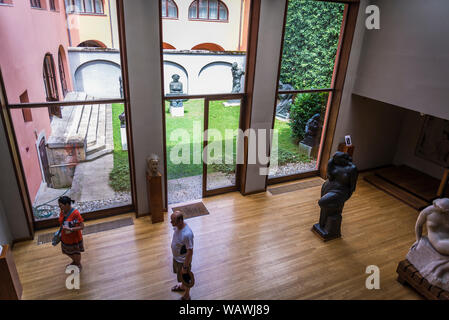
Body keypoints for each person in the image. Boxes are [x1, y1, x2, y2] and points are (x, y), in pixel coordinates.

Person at [170, 210, 194, 300]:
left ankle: (187, 295)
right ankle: (182, 286)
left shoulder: (187, 234)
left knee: (186, 278)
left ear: (180, 221)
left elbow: (190, 251)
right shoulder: (178, 226)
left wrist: (185, 267)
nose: (171, 222)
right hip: (176, 258)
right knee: (181, 277)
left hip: (183, 262)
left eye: (173, 221)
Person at [58, 196, 85, 271]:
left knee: (76, 252)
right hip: (65, 236)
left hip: (74, 238)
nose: (59, 207)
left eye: (61, 205)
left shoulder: (75, 213)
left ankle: (78, 263)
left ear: (67, 204)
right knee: (67, 251)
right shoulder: (62, 211)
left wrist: (71, 229)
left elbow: (82, 227)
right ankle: (75, 261)